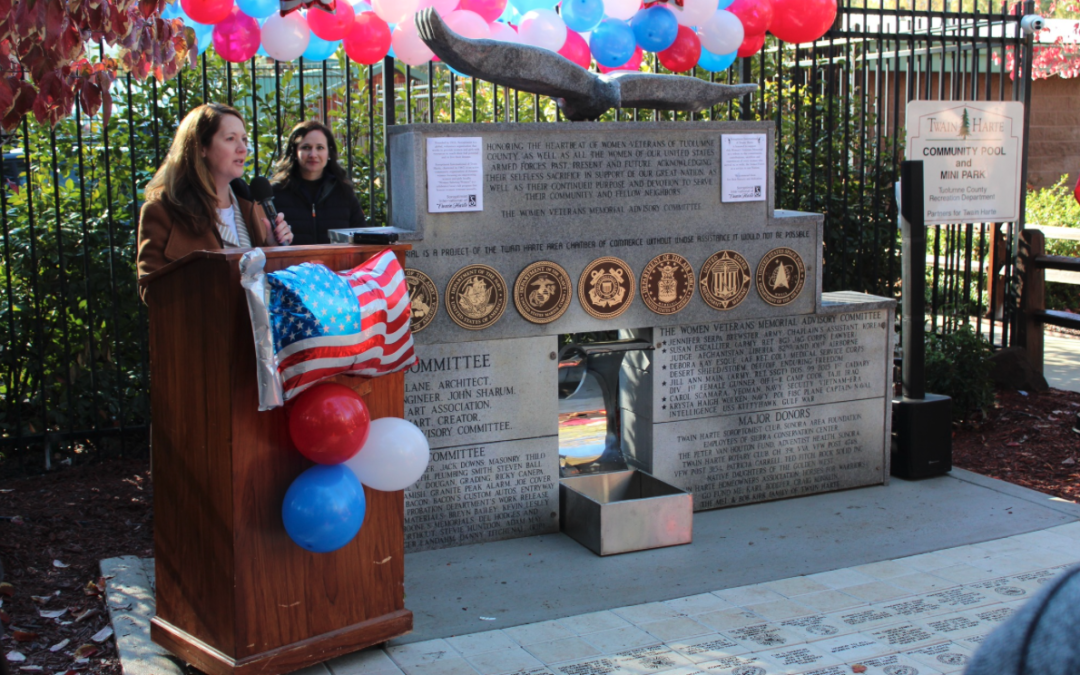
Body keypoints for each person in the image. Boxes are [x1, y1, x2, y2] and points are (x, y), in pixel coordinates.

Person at [136, 103, 294, 285]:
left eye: (244, 139)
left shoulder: (251, 205)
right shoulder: (163, 210)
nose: (243, 148)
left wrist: (273, 248)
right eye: (230, 139)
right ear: (201, 147)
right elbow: (152, 290)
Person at [270, 120, 366, 245]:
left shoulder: (344, 192)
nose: (313, 154)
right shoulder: (276, 193)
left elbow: (362, 240)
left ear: (329, 153)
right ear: (294, 152)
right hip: (291, 264)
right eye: (306, 147)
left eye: (320, 148)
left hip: (338, 264)